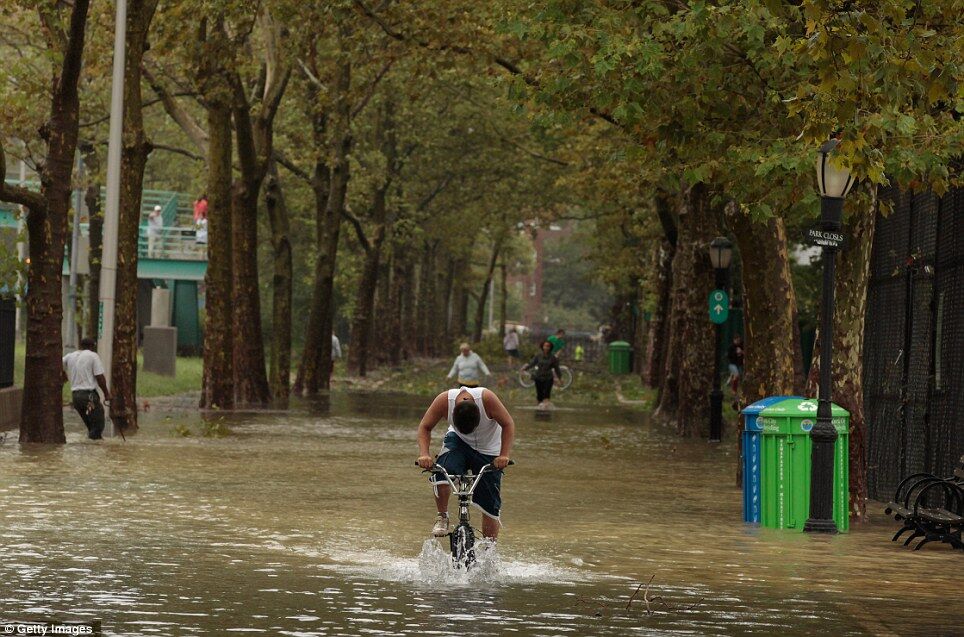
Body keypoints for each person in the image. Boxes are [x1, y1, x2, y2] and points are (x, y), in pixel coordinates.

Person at [416, 386, 515, 539]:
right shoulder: (444, 401)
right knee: (442, 470)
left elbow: (508, 424)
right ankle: (442, 516)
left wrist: (504, 455)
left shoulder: (487, 399)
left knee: (490, 504)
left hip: (488, 448)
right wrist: (424, 455)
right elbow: (425, 426)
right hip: (458, 441)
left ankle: (489, 549)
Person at [62, 338, 112, 440]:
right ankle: (93, 448)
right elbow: (100, 377)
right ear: (93, 346)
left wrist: (64, 376)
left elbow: (57, 365)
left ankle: (88, 449)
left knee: (91, 426)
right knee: (98, 426)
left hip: (76, 398)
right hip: (89, 398)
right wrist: (106, 394)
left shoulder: (70, 356)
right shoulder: (93, 356)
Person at [523, 340, 562, 409]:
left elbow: (557, 369)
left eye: (548, 346)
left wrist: (559, 378)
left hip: (548, 378)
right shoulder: (538, 356)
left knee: (546, 394)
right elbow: (532, 363)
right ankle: (539, 411)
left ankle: (546, 412)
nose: (546, 348)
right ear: (542, 347)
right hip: (538, 377)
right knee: (539, 395)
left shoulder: (553, 358)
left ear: (550, 348)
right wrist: (525, 368)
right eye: (545, 346)